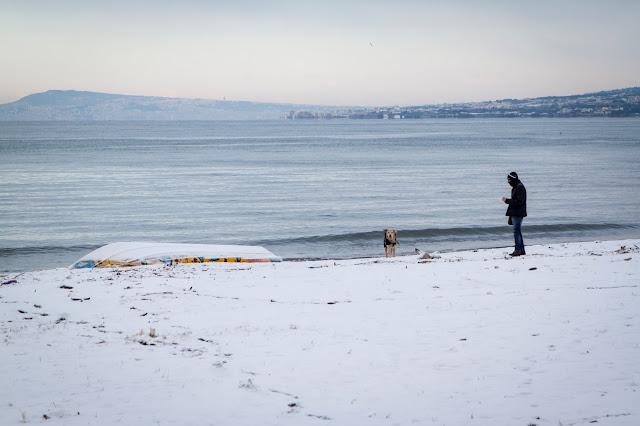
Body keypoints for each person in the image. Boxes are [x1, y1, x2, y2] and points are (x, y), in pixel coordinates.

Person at [502, 172, 527, 256]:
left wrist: (507, 201)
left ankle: (517, 250)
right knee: (518, 231)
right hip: (516, 212)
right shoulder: (516, 187)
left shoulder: (519, 187)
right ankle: (521, 249)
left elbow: (519, 202)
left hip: (518, 213)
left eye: (509, 179)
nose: (507, 181)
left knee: (516, 231)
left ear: (512, 179)